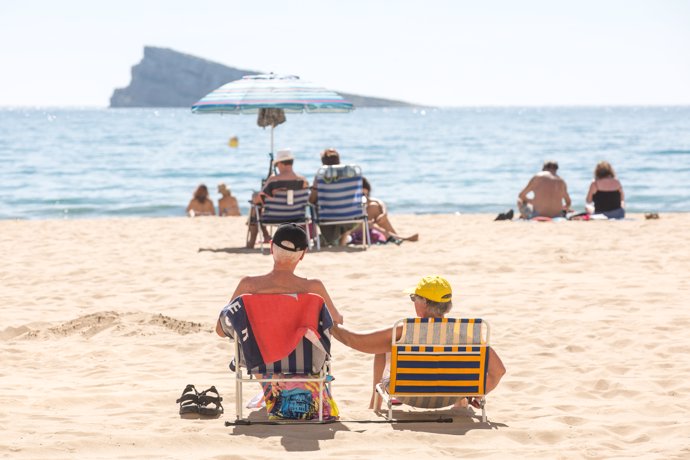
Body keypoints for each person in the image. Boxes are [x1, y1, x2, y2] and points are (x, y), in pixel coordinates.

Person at [331, 275, 505, 410]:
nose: (413, 302)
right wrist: (477, 393)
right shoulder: (467, 333)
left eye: (414, 297)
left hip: (407, 394)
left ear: (425, 302)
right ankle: (461, 403)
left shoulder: (405, 330)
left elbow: (355, 341)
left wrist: (330, 324)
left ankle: (374, 406)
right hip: (452, 395)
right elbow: (498, 372)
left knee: (383, 347)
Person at [217, 223, 344, 332]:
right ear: (303, 254)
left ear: (271, 247)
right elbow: (336, 321)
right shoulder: (314, 288)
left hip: (256, 359)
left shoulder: (248, 285)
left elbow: (221, 329)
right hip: (303, 360)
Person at [247, 148, 310, 248]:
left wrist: (255, 196)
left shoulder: (273, 181)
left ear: (280, 164)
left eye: (276, 165)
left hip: (273, 217)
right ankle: (265, 236)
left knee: (255, 206)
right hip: (298, 217)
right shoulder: (304, 181)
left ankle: (256, 240)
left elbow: (259, 199)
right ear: (291, 163)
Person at [354, 177, 418, 244]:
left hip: (358, 223)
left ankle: (396, 236)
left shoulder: (362, 198)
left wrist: (384, 214)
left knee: (375, 206)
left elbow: (379, 201)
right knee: (370, 221)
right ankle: (399, 238)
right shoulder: (353, 199)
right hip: (350, 227)